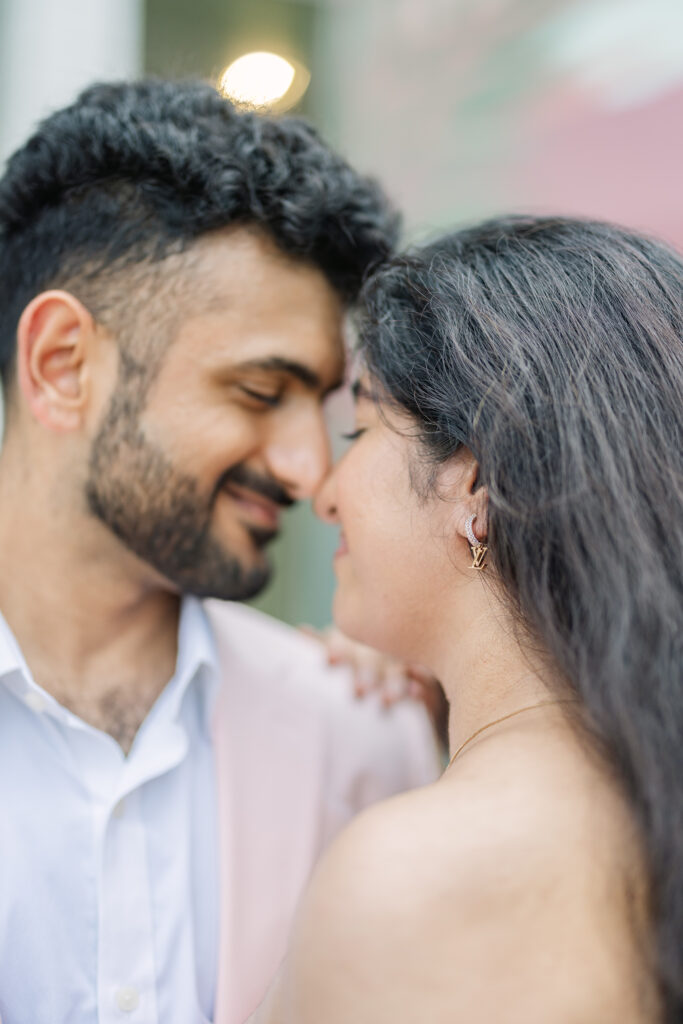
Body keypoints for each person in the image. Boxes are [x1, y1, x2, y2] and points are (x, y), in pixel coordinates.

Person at [0, 79, 441, 1024]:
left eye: (324, 406)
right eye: (256, 390)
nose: (307, 467)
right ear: (62, 366)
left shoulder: (361, 730)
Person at [252, 216, 683, 1023]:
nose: (325, 490)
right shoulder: (640, 808)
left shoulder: (419, 876)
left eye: (362, 426)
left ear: (474, 486)